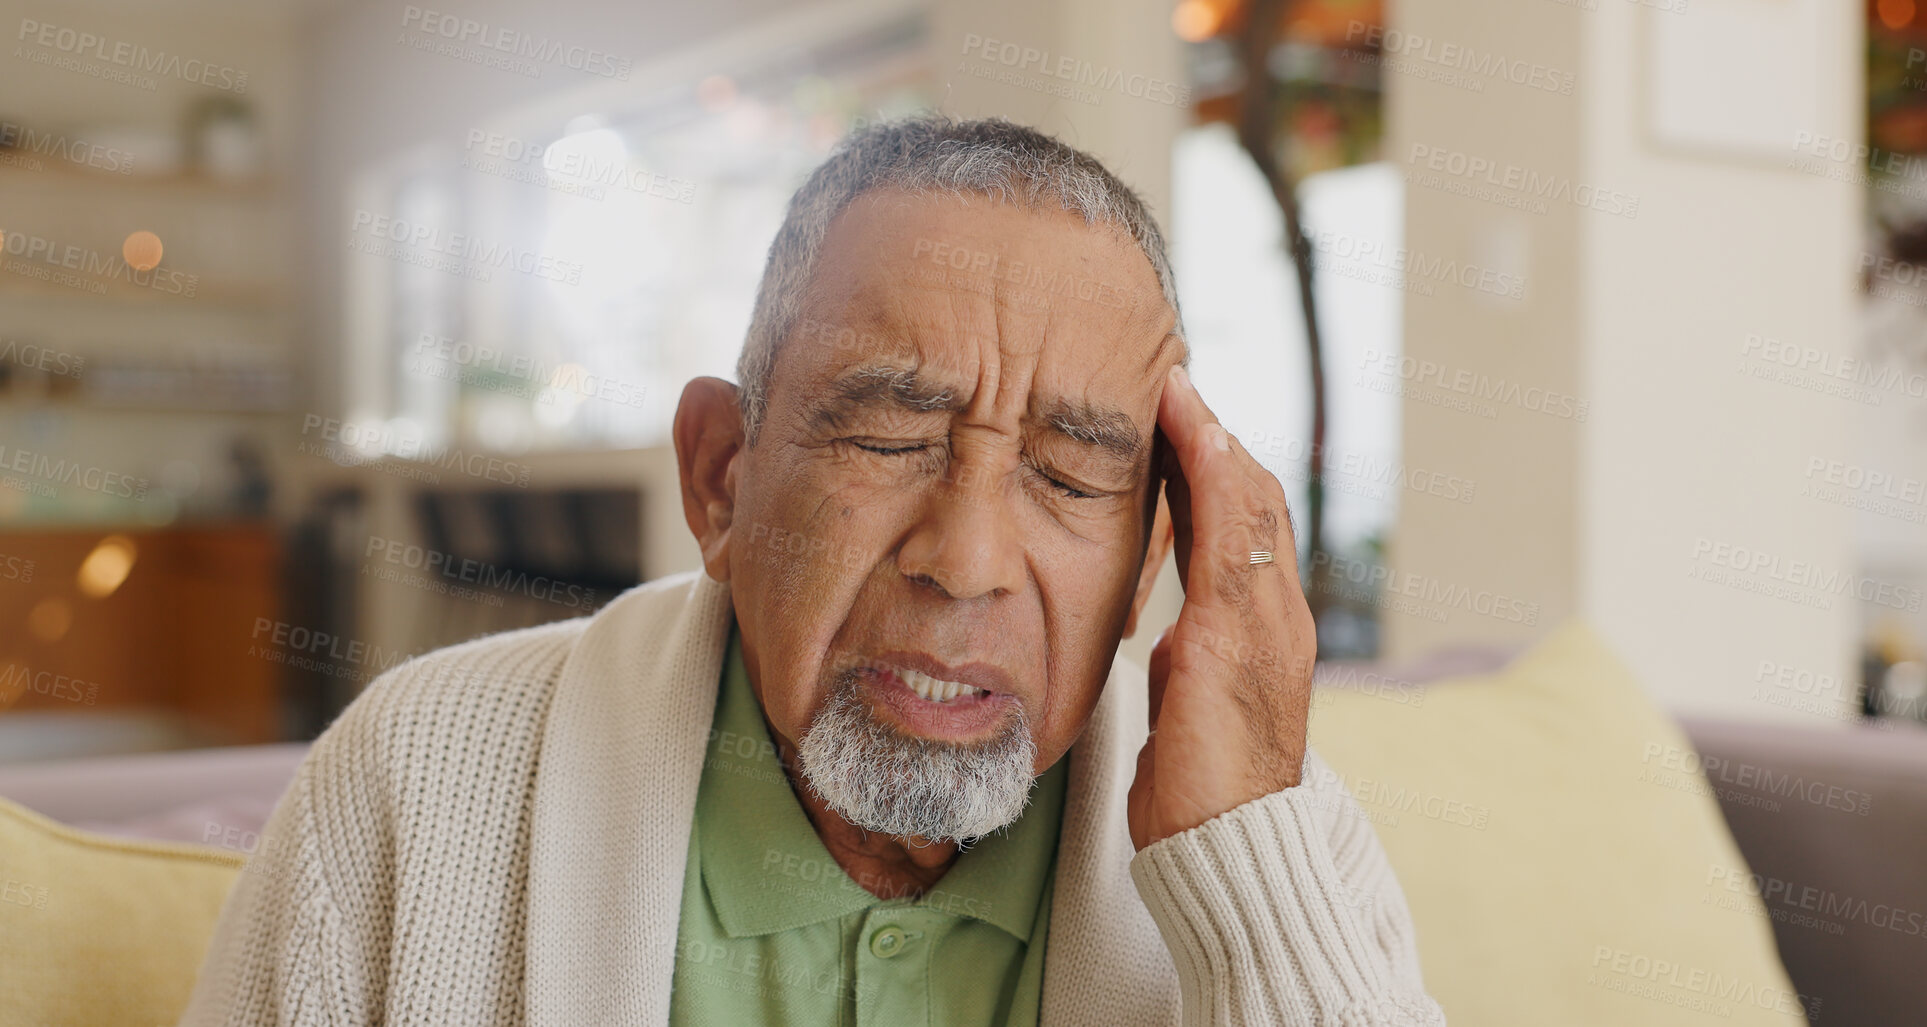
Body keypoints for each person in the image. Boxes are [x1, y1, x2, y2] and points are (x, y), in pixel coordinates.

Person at [179, 115, 1444, 1026]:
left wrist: (1242, 872)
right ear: (723, 478)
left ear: (1149, 557)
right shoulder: (418, 774)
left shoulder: (1275, 835)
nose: (968, 562)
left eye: (1068, 476)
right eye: (891, 438)